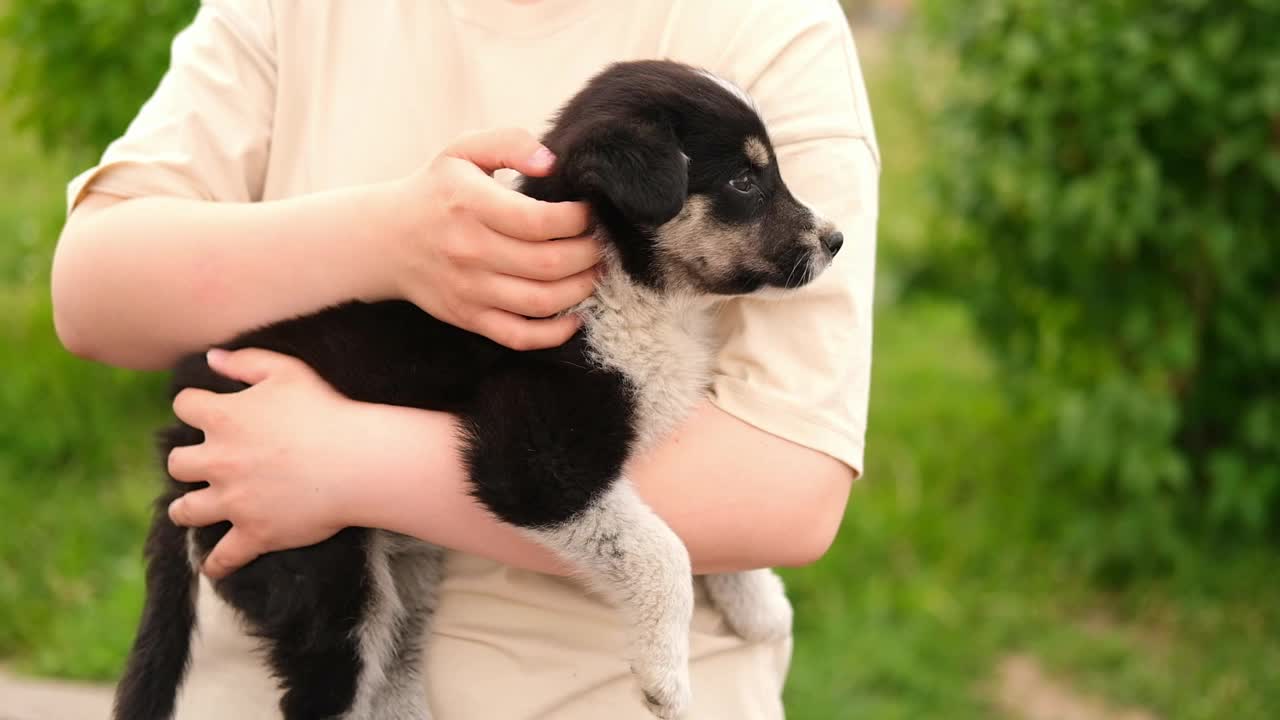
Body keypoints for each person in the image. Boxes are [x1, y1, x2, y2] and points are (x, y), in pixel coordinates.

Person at [52, 0, 880, 717]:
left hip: (607, 699)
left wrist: (343, 462)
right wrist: (386, 241)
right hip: (277, 682)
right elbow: (91, 291)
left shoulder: (768, 27)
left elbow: (790, 492)